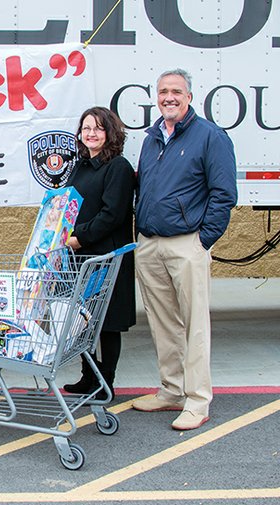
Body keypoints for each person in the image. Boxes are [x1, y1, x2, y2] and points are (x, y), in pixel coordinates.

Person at [133, 69, 237, 430]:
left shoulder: (210, 136)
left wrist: (203, 240)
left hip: (186, 244)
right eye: (163, 91)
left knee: (194, 325)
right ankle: (172, 390)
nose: (169, 97)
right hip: (149, 245)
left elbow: (224, 195)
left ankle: (197, 400)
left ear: (189, 97)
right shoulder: (151, 138)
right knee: (163, 323)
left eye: (176, 91)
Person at [62, 106, 136, 401]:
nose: (91, 133)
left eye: (98, 128)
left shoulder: (118, 167)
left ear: (110, 133)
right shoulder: (79, 166)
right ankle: (87, 377)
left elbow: (113, 214)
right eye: (86, 128)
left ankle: (105, 382)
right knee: (82, 319)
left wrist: (80, 237)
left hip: (106, 256)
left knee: (106, 322)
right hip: (78, 257)